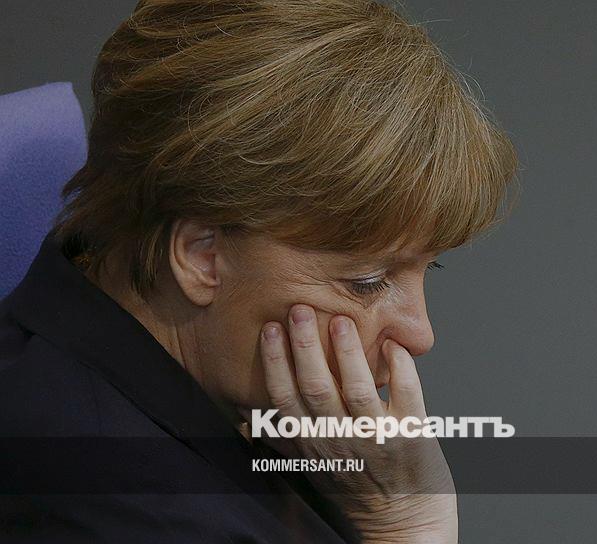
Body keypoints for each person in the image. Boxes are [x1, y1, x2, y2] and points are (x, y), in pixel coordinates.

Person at [0, 0, 517, 542]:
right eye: (366, 282)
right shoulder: (116, 506)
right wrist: (408, 526)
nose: (420, 334)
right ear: (200, 255)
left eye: (428, 266)